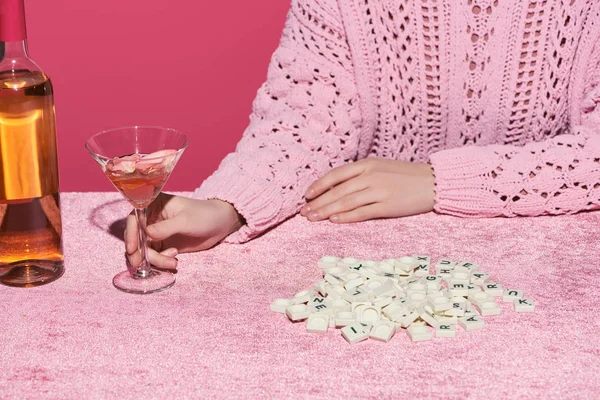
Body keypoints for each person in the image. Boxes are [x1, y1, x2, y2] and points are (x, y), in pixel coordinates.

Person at [125, 0, 600, 270]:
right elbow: (306, 118)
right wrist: (228, 205)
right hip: (371, 266)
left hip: (550, 277)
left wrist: (441, 181)